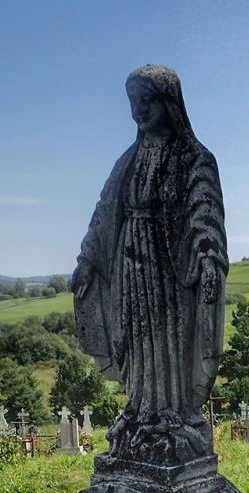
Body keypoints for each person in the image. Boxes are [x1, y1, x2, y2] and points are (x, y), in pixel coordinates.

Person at [71, 64, 228, 465]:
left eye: (147, 100)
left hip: (168, 267)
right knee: (135, 339)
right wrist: (88, 260)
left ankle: (171, 415)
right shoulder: (127, 161)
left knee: (167, 339)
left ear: (168, 102)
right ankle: (140, 412)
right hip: (127, 264)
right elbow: (104, 213)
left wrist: (209, 258)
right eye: (132, 102)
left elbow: (204, 210)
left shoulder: (193, 157)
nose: (139, 110)